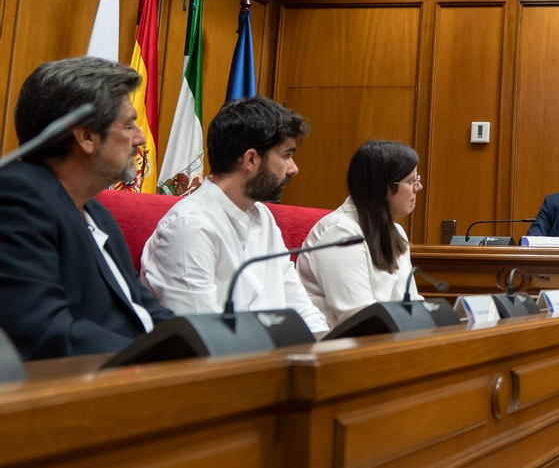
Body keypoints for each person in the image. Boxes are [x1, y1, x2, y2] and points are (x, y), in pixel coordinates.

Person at [0, 58, 174, 360]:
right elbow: (43, 331)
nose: (140, 138)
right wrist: (156, 358)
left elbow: (144, 310)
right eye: (129, 124)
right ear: (86, 136)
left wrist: (205, 344)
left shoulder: (97, 213)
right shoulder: (17, 199)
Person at [141, 97, 327, 333]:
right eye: (286, 155)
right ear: (251, 159)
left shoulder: (263, 216)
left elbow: (299, 306)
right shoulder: (189, 227)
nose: (293, 169)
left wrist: (327, 351)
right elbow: (204, 337)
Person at [298, 140, 421, 328]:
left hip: (387, 339)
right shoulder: (340, 233)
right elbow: (358, 318)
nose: (418, 187)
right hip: (338, 346)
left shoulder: (397, 232)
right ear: (384, 188)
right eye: (412, 181)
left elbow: (411, 303)